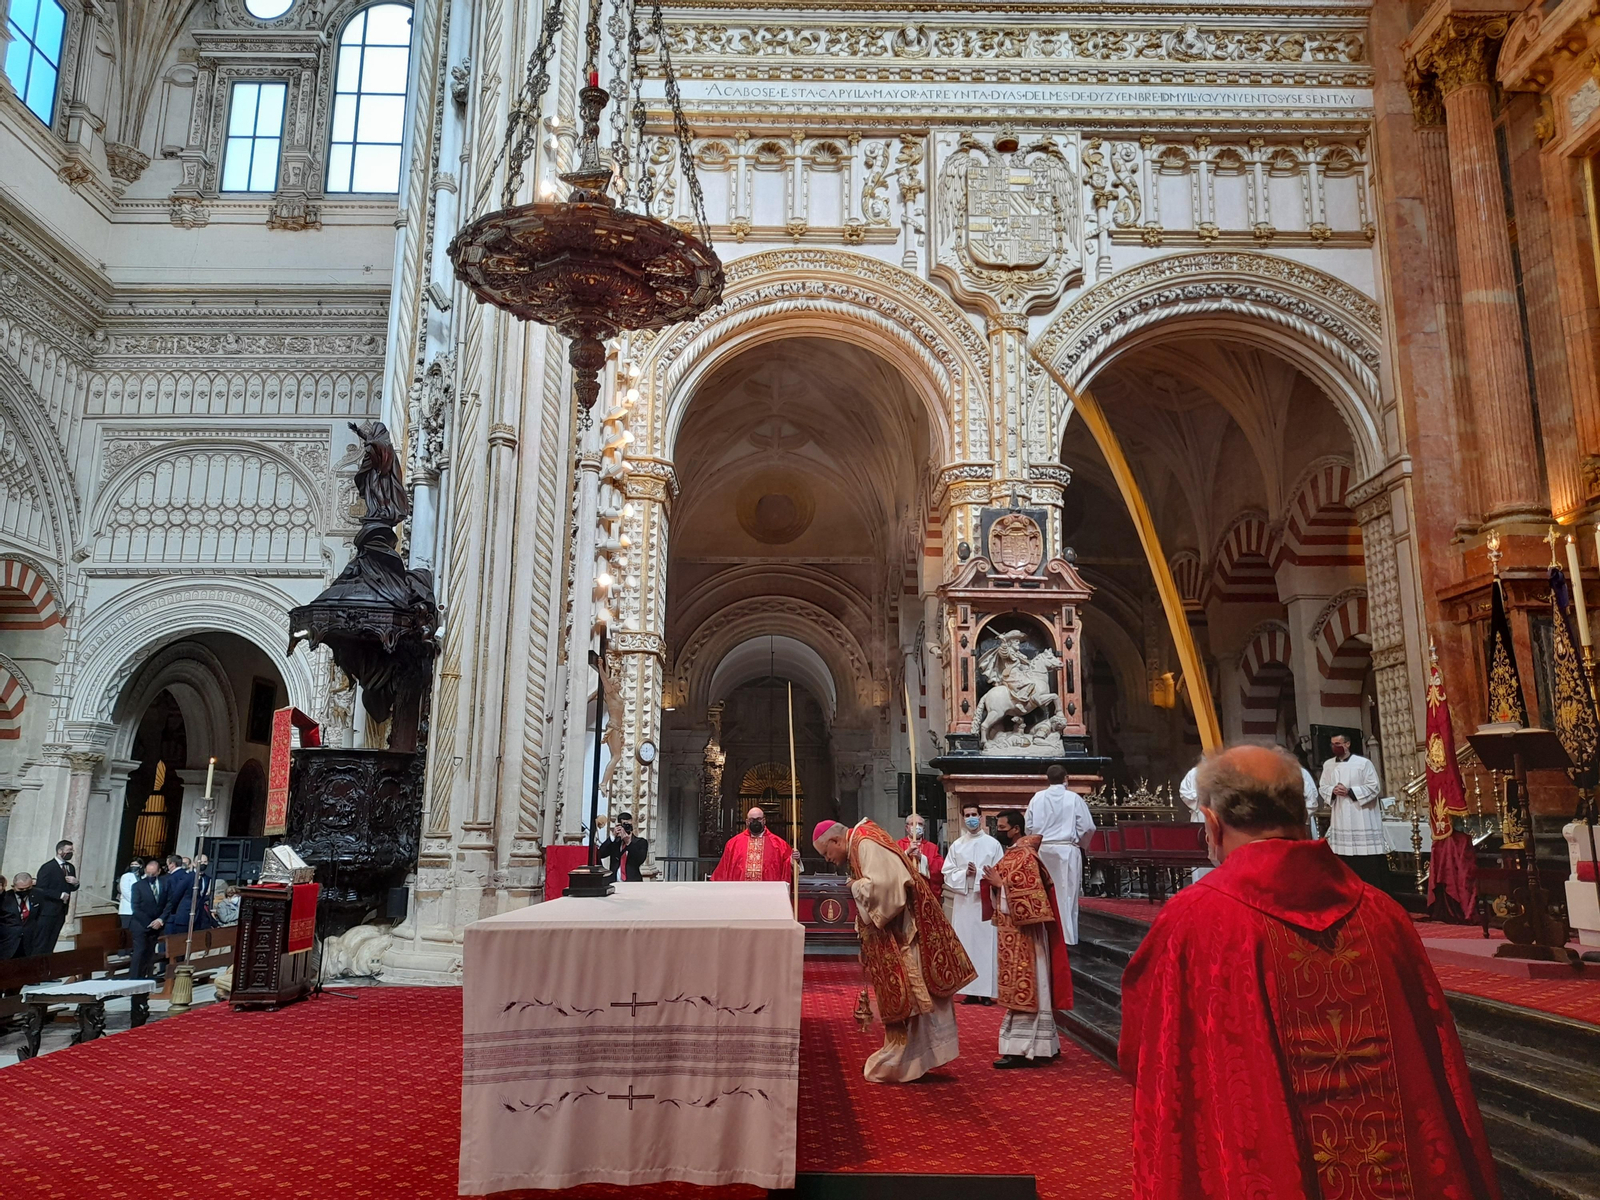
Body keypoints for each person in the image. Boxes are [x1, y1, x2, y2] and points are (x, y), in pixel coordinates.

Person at [1120, 744, 1501, 1200]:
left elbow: (1148, 1049)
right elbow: (1434, 1045)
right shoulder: (1382, 913)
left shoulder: (1194, 919)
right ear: (1302, 814)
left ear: (1212, 822)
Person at [813, 818, 975, 1083]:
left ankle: (907, 1060)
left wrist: (854, 886)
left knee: (914, 994)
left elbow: (890, 889)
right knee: (914, 995)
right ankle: (916, 1056)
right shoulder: (862, 840)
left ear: (836, 841)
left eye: (826, 853)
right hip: (901, 931)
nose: (828, 859)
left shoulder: (865, 842)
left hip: (905, 934)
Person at [984, 810, 1072, 1068]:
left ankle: (1022, 1048)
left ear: (1015, 829)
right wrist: (994, 885)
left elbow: (1033, 899)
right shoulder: (1013, 854)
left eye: (1002, 827)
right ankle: (1044, 1044)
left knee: (1029, 987)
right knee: (1024, 988)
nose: (999, 830)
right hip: (1012, 934)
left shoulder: (1025, 856)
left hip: (1026, 935)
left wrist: (1000, 885)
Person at [1024, 764, 1095, 943]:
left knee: (1044, 893)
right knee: (1067, 893)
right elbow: (1087, 826)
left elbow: (1029, 827)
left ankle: (1045, 935)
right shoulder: (1073, 798)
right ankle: (1066, 937)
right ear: (1066, 778)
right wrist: (1080, 843)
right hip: (1066, 850)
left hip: (1043, 849)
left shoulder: (1037, 798)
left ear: (1047, 779)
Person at [942, 803, 1002, 1005]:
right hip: (964, 902)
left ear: (981, 816)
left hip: (984, 901)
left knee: (985, 945)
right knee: (966, 944)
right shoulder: (957, 845)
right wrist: (964, 874)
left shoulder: (993, 844)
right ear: (962, 818)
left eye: (974, 814)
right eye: (967, 815)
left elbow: (999, 871)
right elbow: (947, 873)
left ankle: (986, 992)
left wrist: (980, 877)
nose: (971, 818)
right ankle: (968, 990)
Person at [1318, 733, 1387, 887]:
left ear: (1347, 744)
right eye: (1332, 744)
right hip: (1341, 815)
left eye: (1338, 743)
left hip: (1361, 815)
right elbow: (1323, 786)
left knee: (1366, 864)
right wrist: (1333, 790)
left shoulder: (1363, 763)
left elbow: (1374, 786)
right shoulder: (1328, 765)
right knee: (1343, 858)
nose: (1334, 747)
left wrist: (1350, 791)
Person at [709, 806, 798, 882]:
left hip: (767, 894)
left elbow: (788, 868)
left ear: (764, 820)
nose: (755, 822)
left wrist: (794, 859)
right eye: (752, 820)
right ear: (747, 822)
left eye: (759, 819)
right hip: (741, 893)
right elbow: (723, 870)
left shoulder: (779, 844)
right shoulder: (733, 844)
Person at [30, 839, 78, 956]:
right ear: (60, 851)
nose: (71, 852)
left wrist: (76, 883)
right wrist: (59, 895)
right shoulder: (48, 867)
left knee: (52, 941)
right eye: (69, 850)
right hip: (47, 911)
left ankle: (47, 966)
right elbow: (40, 888)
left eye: (72, 850)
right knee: (42, 942)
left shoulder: (70, 868)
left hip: (61, 910)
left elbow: (71, 888)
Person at [129, 859, 168, 980]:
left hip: (157, 925)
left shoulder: (164, 884)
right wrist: (149, 923)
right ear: (145, 871)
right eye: (148, 872)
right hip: (141, 925)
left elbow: (168, 903)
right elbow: (136, 907)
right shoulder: (138, 886)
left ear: (158, 872)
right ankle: (134, 978)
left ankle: (145, 977)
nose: (151, 875)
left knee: (150, 952)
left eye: (153, 873)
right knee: (140, 952)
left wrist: (160, 920)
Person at [897, 813, 944, 899]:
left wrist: (922, 858)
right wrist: (907, 852)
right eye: (913, 824)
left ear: (924, 828)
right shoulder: (898, 845)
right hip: (905, 893)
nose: (917, 827)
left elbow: (939, 869)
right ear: (907, 828)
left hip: (925, 893)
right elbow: (892, 865)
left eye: (920, 824)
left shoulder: (932, 847)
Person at [596, 812, 649, 882]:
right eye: (625, 825)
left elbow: (639, 860)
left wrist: (628, 843)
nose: (627, 828)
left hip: (632, 882)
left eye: (629, 825)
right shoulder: (615, 842)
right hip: (614, 881)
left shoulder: (640, 842)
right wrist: (613, 836)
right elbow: (600, 854)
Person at [1, 873, 38, 959]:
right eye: (21, 889)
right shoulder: (4, 899)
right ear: (14, 886)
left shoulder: (37, 896)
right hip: (7, 945)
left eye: (27, 888)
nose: (24, 891)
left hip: (30, 945)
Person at [116, 858, 142, 931]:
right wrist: (137, 901)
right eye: (132, 864)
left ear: (140, 866)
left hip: (139, 911)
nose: (133, 866)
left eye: (136, 864)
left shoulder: (143, 877)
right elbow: (126, 892)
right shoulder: (126, 876)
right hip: (127, 909)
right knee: (126, 931)